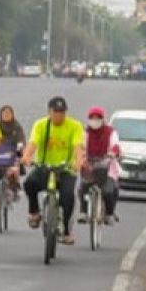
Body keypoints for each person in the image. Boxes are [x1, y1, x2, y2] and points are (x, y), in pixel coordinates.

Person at [22, 96, 85, 244]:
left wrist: (78, 161)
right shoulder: (41, 125)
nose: (59, 115)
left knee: (68, 197)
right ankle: (34, 212)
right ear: (49, 112)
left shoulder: (74, 126)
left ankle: (67, 231)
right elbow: (33, 143)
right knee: (29, 184)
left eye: (62, 112)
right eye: (55, 112)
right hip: (45, 167)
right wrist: (27, 157)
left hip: (65, 170)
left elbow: (78, 147)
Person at [77, 106, 120, 224]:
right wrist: (80, 157)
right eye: (92, 118)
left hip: (106, 164)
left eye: (97, 118)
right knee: (83, 187)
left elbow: (115, 145)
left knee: (109, 191)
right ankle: (84, 212)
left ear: (102, 119)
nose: (95, 121)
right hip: (89, 164)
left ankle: (109, 214)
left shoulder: (110, 132)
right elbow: (80, 146)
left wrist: (113, 153)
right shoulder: (85, 132)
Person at [0, 105, 26, 193]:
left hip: (13, 150)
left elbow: (21, 140)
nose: (6, 115)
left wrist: (20, 149)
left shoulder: (16, 127)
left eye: (8, 113)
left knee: (14, 169)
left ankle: (14, 184)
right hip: (0, 151)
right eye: (4, 113)